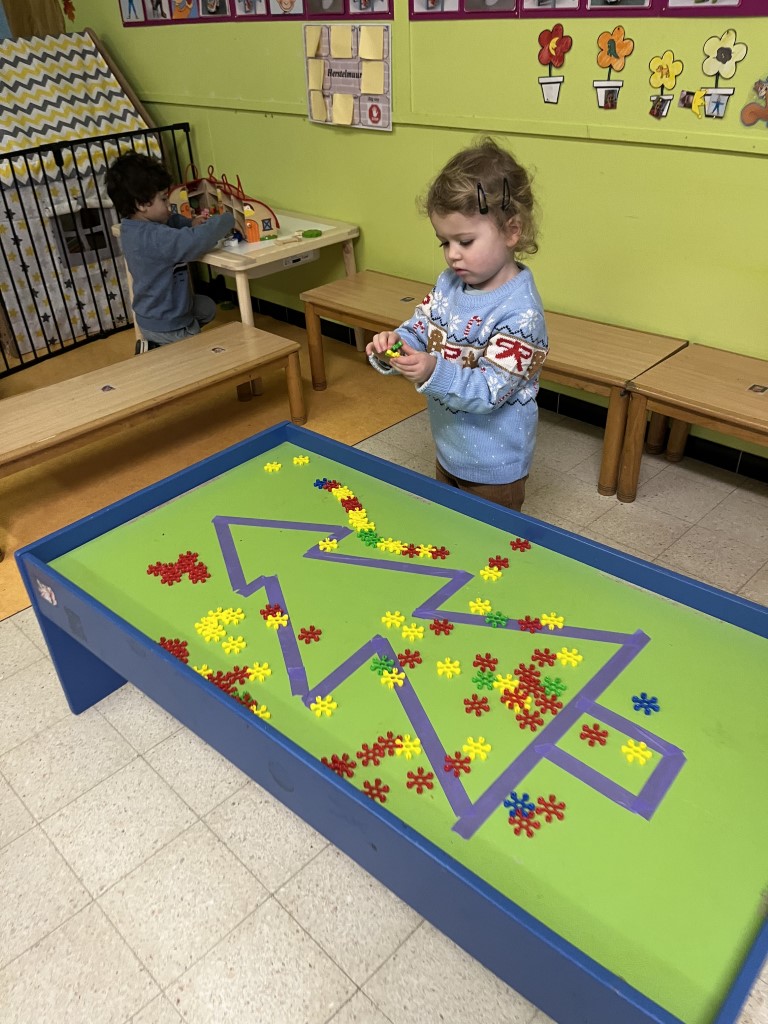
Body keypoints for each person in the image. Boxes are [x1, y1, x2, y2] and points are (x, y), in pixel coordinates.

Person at [366, 138, 548, 512]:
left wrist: (432, 370)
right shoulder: (449, 284)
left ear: (512, 231)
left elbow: (490, 391)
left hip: (495, 469)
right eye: (444, 243)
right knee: (449, 528)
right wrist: (396, 342)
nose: (452, 255)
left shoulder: (522, 315)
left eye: (465, 241)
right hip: (449, 448)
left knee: (488, 542)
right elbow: (422, 326)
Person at [105, 152, 234, 353]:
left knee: (206, 307)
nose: (169, 206)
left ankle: (161, 346)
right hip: (168, 322)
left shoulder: (132, 227)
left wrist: (190, 223)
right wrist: (227, 219)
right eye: (164, 199)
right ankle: (164, 349)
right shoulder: (156, 237)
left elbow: (171, 220)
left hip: (151, 313)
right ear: (141, 204)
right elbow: (195, 242)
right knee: (202, 356)